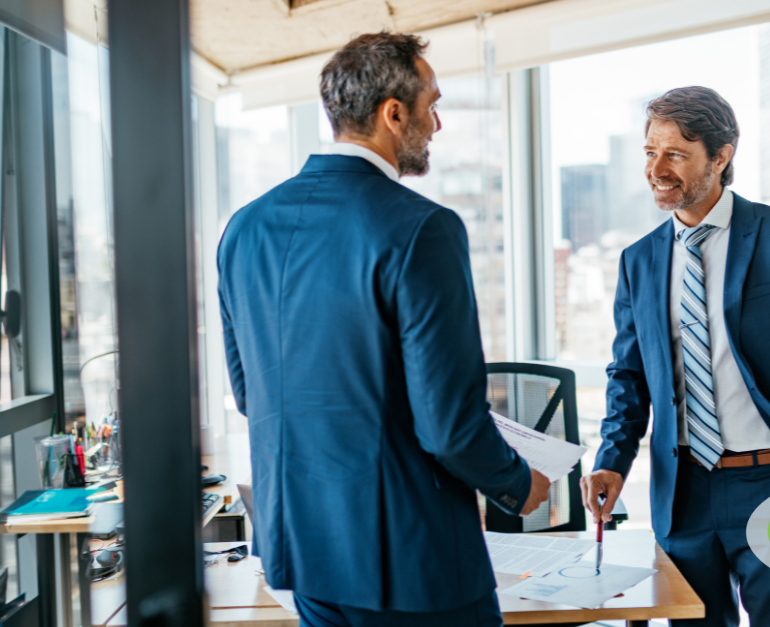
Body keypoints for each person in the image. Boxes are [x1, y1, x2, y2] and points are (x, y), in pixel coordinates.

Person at [218, 32, 550, 627]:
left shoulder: (244, 228)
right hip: (411, 564)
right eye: (432, 105)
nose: (438, 124)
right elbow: (448, 427)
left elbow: (251, 395)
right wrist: (518, 483)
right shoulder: (422, 229)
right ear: (393, 114)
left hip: (304, 554)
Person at [580, 86, 770, 626]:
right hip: (681, 493)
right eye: (650, 152)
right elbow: (629, 375)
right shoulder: (637, 260)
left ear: (721, 156)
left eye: (675, 153)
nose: (656, 169)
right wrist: (611, 462)